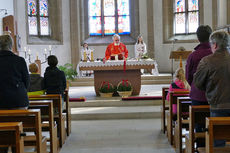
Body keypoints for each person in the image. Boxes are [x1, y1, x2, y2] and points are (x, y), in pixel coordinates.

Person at [194, 30, 230, 147]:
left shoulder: (207, 61)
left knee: (218, 143)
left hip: (218, 106)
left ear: (214, 45)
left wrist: (210, 87)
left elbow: (198, 83)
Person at [0, 34, 30, 153]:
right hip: (18, 101)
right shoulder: (19, 60)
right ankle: (16, 145)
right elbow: (27, 81)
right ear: (11, 46)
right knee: (16, 126)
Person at [186, 25, 212, 106]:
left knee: (198, 118)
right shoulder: (216, 54)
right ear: (211, 37)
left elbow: (188, 76)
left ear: (198, 38)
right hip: (215, 96)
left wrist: (195, 85)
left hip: (197, 95)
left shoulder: (192, 56)